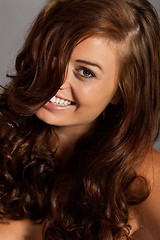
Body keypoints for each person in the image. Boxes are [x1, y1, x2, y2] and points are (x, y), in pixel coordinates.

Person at [0, 0, 160, 239]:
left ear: (120, 91)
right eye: (53, 56)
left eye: (86, 72)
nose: (56, 81)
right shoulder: (5, 132)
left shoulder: (142, 175)